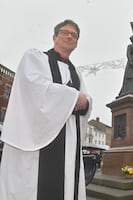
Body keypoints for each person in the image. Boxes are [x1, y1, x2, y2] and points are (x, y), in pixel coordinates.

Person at [0, 19, 92, 200]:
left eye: (74, 35)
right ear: (54, 37)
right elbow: (32, 87)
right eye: (65, 32)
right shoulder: (35, 58)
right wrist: (73, 97)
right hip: (37, 141)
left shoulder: (77, 73)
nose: (69, 36)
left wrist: (84, 103)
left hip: (68, 141)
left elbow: (86, 100)